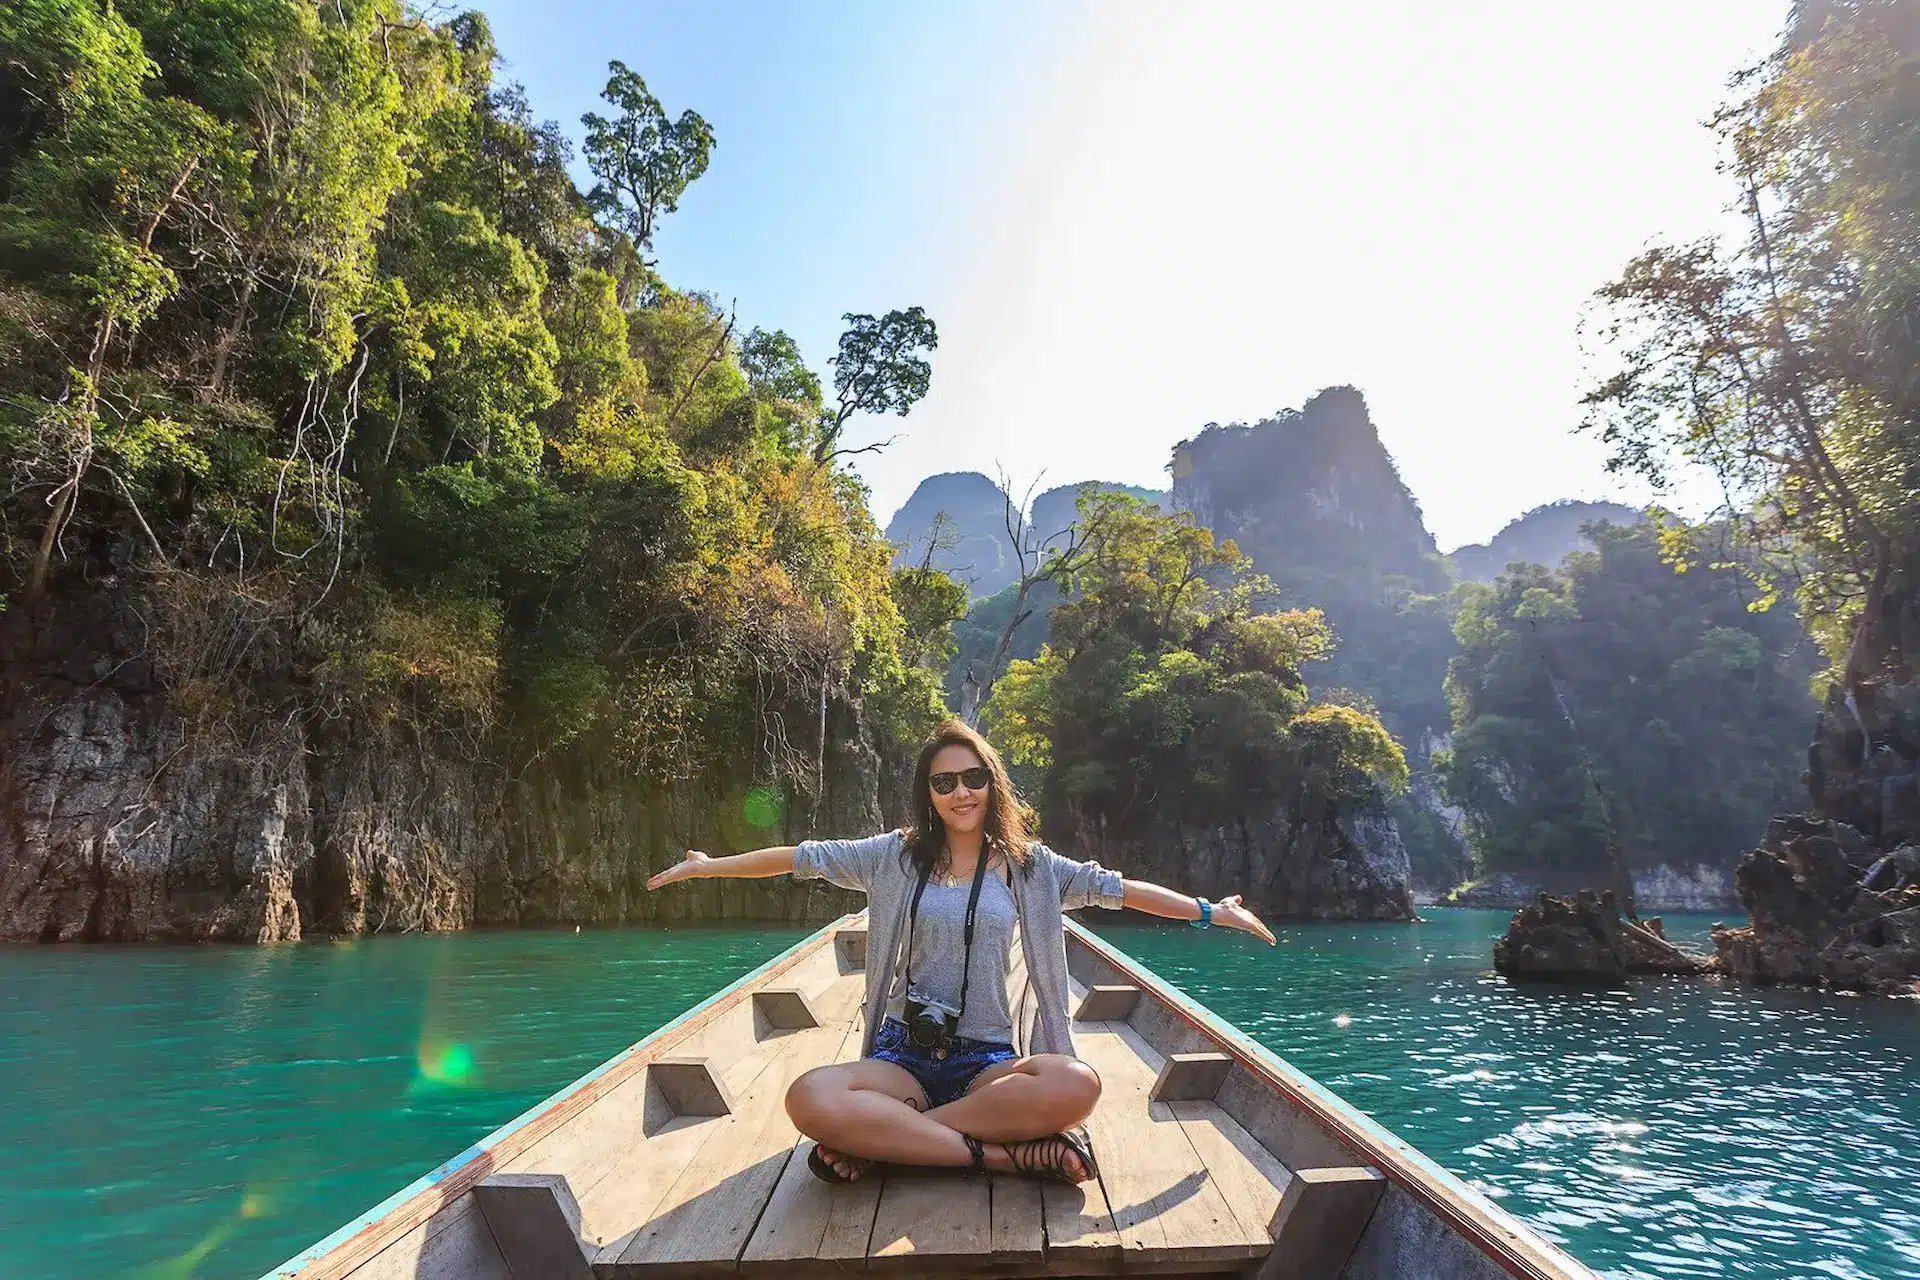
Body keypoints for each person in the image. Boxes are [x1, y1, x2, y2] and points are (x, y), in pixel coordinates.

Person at [645, 718, 1275, 1185]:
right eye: (943, 782)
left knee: (1074, 1083)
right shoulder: (892, 855)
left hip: (986, 1062)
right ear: (929, 793)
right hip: (904, 1055)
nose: (960, 792)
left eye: (973, 778)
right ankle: (998, 1154)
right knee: (808, 1097)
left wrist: (1209, 912)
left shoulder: (1034, 869)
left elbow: (1121, 891)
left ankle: (890, 1142)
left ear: (991, 783)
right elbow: (797, 858)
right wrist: (708, 867)